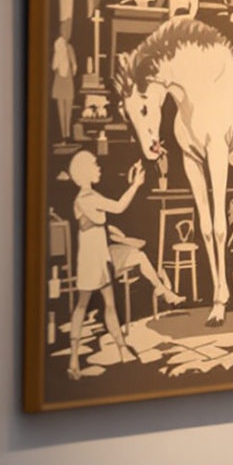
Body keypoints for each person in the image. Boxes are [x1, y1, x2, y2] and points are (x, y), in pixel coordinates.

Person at [63, 150, 152, 378]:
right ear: (84, 173)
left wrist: (132, 183)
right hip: (90, 261)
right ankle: (74, 358)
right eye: (95, 165)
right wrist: (135, 185)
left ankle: (122, 348)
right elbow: (119, 207)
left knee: (109, 305)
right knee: (83, 307)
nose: (99, 168)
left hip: (99, 258)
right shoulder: (86, 199)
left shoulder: (90, 197)